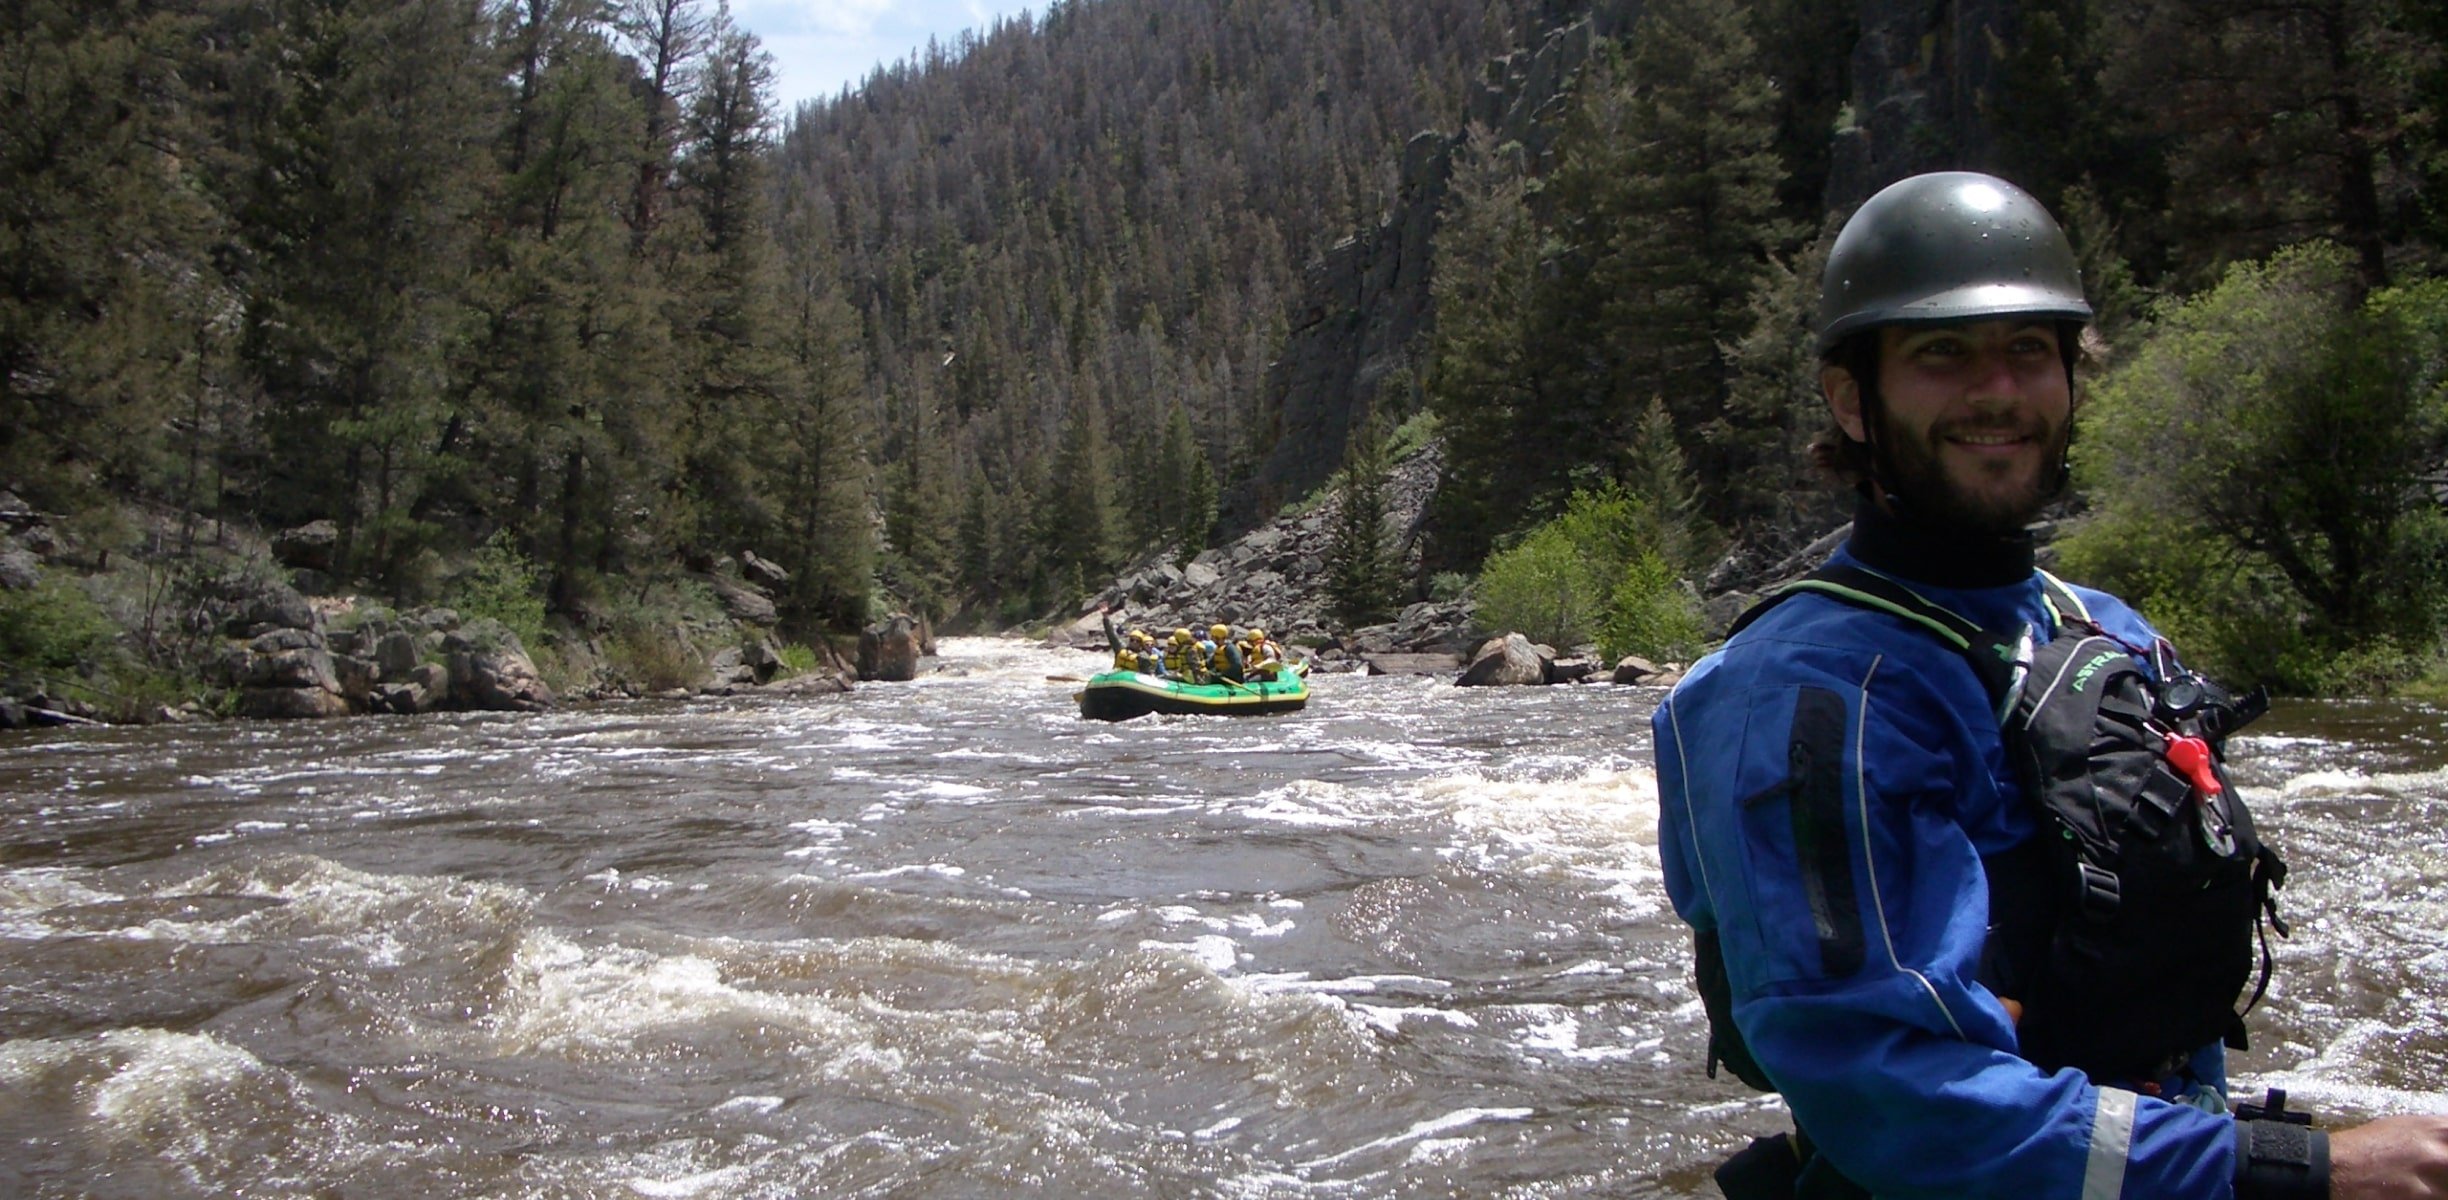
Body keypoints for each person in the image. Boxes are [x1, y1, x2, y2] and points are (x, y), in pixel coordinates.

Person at [1651, 171, 2448, 1199]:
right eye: (1943, 355)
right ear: (1851, 399)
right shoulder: (1801, 696)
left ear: (2073, 373)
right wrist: (2301, 1170)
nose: (1998, 393)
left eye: (2029, 350)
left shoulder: (2107, 630)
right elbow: (1895, 1097)